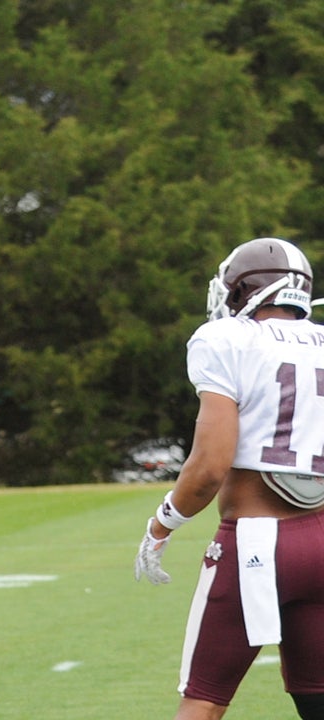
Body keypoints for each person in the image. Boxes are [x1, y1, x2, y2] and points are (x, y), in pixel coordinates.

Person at [135, 237, 324, 720]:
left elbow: (209, 465)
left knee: (203, 699)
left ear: (244, 290)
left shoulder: (226, 339)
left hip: (257, 546)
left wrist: (162, 524)